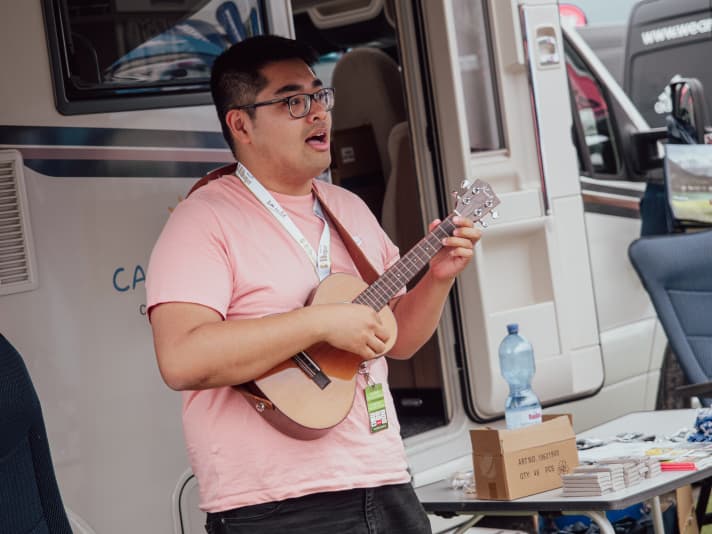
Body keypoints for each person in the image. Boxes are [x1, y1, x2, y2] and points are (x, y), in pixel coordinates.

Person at [146, 34, 481, 534]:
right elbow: (181, 359)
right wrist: (320, 322)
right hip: (276, 505)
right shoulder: (203, 219)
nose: (318, 113)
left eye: (318, 95)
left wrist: (437, 280)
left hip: (383, 480)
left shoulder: (347, 210)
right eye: (293, 101)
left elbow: (400, 340)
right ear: (241, 123)